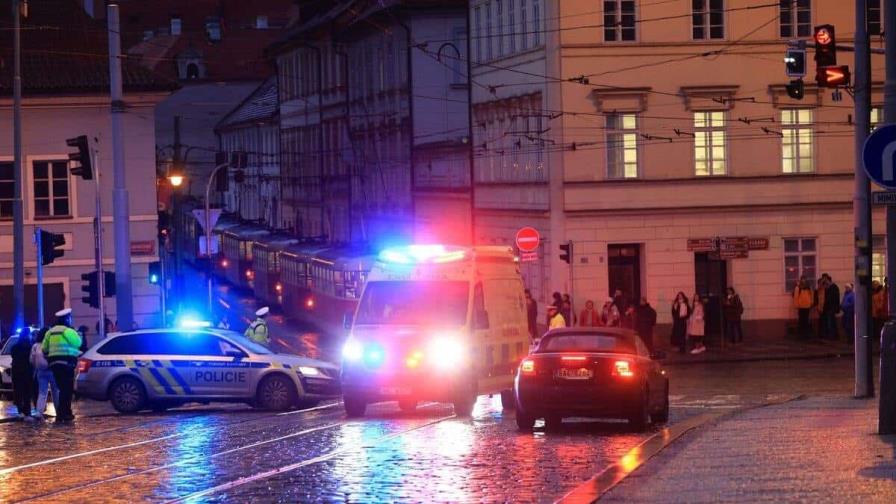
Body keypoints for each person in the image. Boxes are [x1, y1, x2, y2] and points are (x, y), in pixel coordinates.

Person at [43, 308, 82, 424]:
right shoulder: (67, 331)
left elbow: (44, 348)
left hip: (54, 365)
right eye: (70, 318)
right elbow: (78, 343)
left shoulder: (50, 332)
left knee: (61, 388)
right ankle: (65, 413)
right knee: (67, 389)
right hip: (67, 364)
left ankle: (62, 414)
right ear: (67, 319)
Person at [31, 328, 58, 420]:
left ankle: (39, 412)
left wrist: (36, 368)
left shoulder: (35, 346)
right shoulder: (51, 344)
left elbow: (31, 360)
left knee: (42, 392)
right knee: (55, 391)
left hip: (41, 371)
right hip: (52, 370)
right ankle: (58, 410)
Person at [11, 326, 35, 420]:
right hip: (27, 371)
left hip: (17, 371)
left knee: (18, 391)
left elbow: (13, 357)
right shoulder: (30, 346)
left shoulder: (15, 347)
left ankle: (20, 411)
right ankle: (27, 412)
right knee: (27, 392)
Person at [822, 273, 841, 340]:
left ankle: (833, 336)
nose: (825, 284)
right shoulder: (831, 287)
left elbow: (832, 299)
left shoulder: (833, 287)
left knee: (831, 322)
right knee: (831, 322)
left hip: (831, 308)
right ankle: (833, 335)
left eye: (826, 282)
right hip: (830, 308)